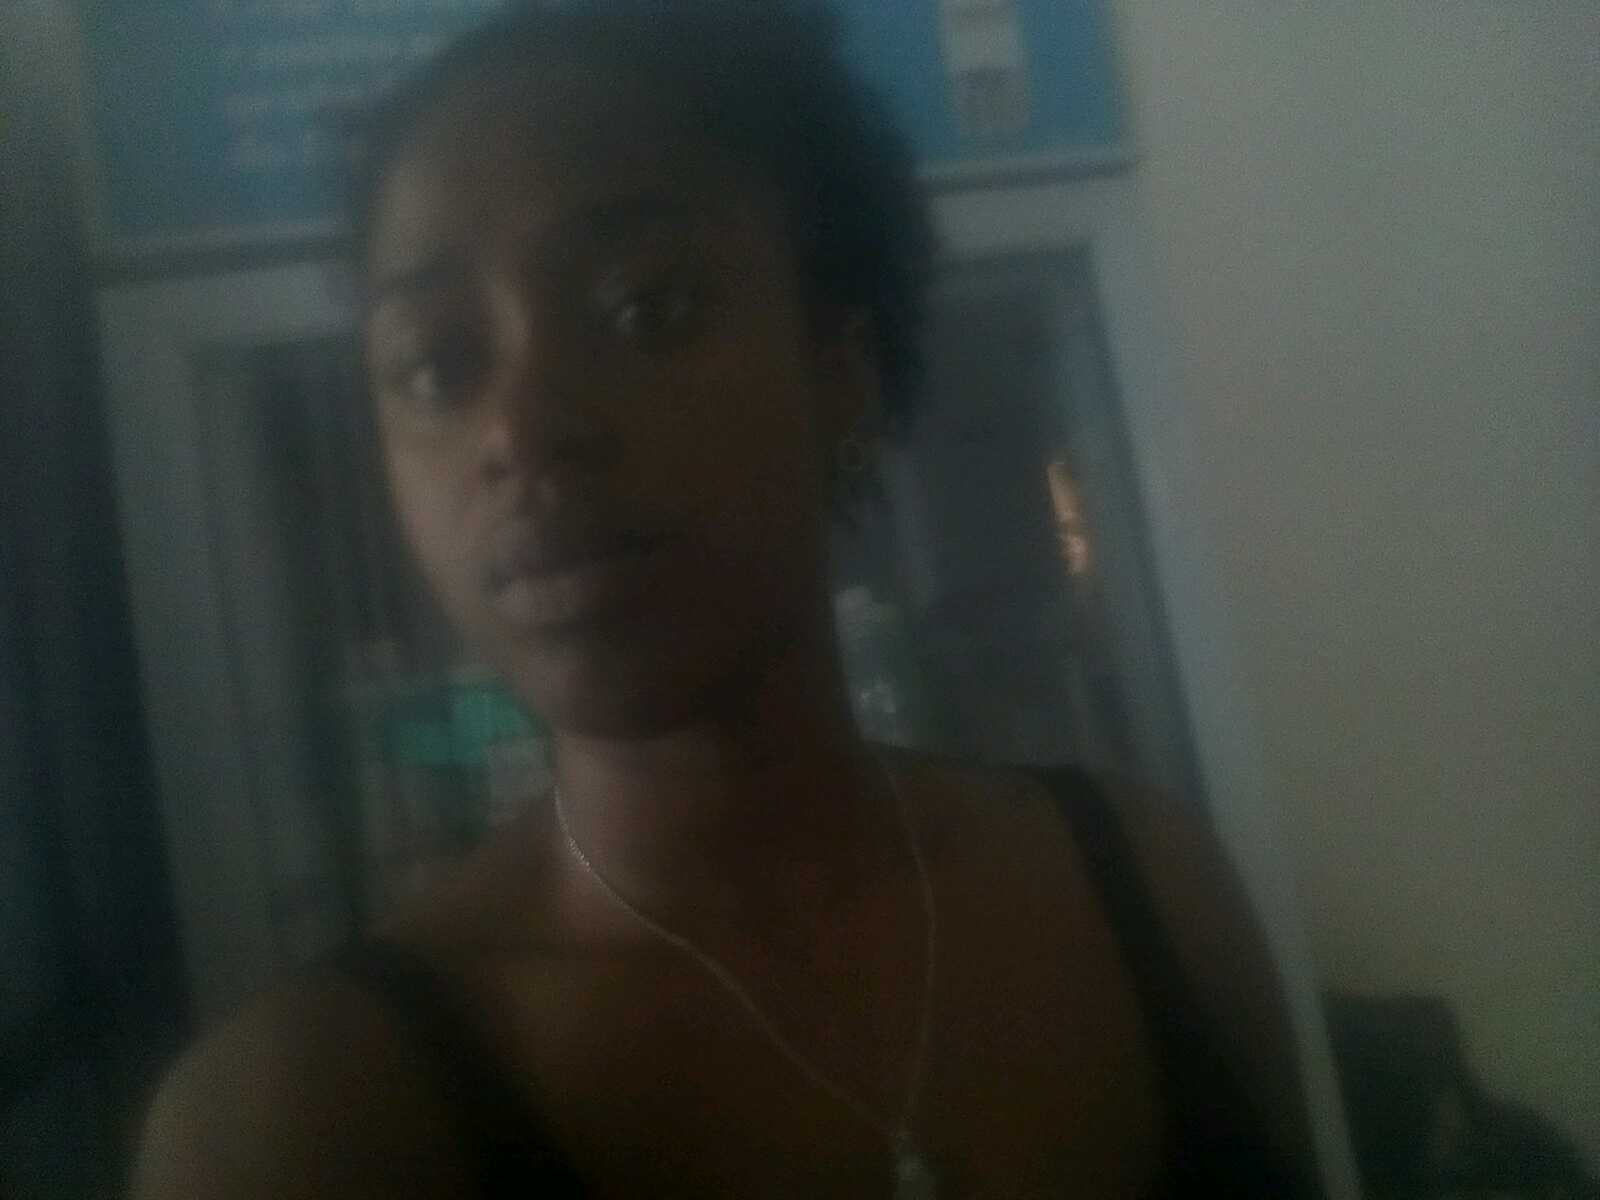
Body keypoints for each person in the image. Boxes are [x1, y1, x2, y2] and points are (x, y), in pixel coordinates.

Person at [134, 3, 1321, 1196]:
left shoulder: (1150, 893)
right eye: (438, 363)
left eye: (646, 307)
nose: (521, 428)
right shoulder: (294, 1128)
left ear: (838, 366)